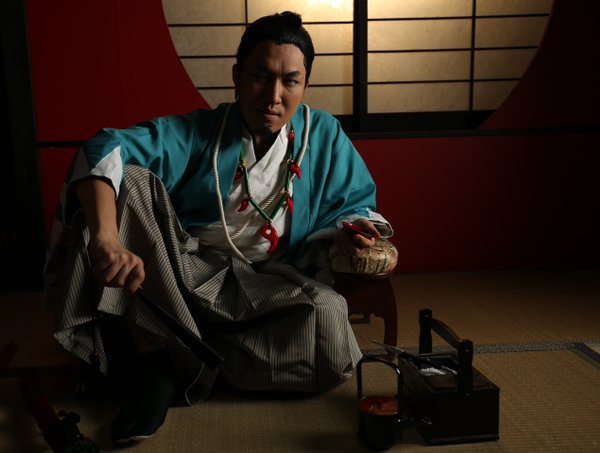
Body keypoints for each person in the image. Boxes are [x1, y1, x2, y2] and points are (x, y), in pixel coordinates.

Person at [44, 11, 393, 445]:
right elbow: (105, 148)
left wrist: (349, 232)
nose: (273, 96)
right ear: (236, 76)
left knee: (327, 320)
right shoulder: (202, 132)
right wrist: (106, 240)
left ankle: (175, 357)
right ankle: (159, 354)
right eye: (260, 77)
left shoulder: (321, 135)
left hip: (267, 283)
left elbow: (354, 204)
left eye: (290, 81)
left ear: (305, 84)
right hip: (180, 277)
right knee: (129, 180)